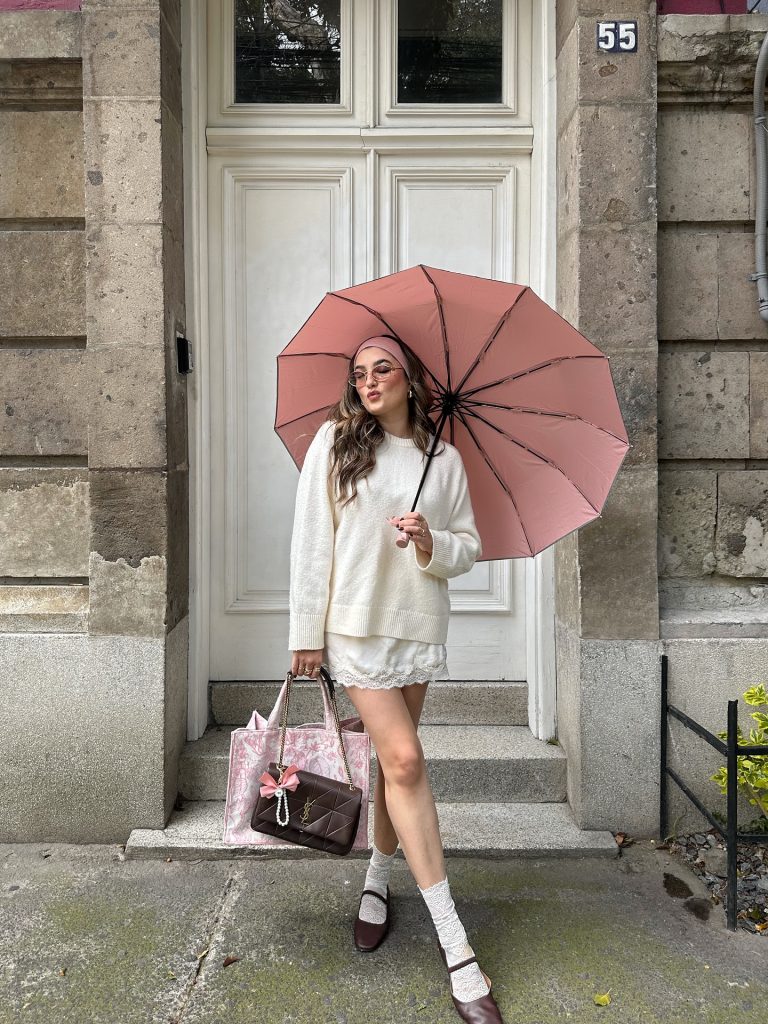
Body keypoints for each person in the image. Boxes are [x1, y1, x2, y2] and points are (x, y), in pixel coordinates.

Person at [287, 333, 505, 1024]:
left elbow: (469, 546)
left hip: (417, 626)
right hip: (354, 628)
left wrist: (431, 540)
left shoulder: (445, 460)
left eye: (383, 369)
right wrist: (305, 633)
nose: (370, 381)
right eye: (359, 373)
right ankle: (459, 949)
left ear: (411, 379)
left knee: (391, 767)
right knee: (407, 760)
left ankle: (377, 880)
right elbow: (311, 539)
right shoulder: (336, 443)